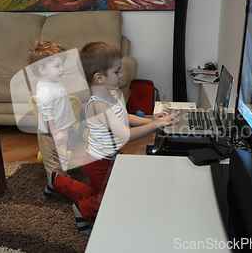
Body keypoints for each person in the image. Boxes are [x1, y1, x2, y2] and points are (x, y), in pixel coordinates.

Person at [42, 42, 179, 235]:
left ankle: (57, 181)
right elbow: (127, 135)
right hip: (100, 162)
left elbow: (126, 117)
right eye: (117, 72)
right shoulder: (99, 106)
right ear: (99, 78)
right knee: (111, 196)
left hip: (106, 157)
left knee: (94, 193)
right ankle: (82, 210)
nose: (121, 75)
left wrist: (150, 119)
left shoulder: (113, 94)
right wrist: (155, 126)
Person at [27, 41, 76, 194]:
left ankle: (61, 179)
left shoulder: (54, 81)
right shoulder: (45, 91)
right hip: (50, 134)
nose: (62, 70)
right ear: (42, 69)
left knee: (61, 159)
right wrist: (55, 133)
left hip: (60, 129)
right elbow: (47, 116)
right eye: (57, 66)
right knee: (54, 162)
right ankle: (56, 185)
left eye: (62, 65)